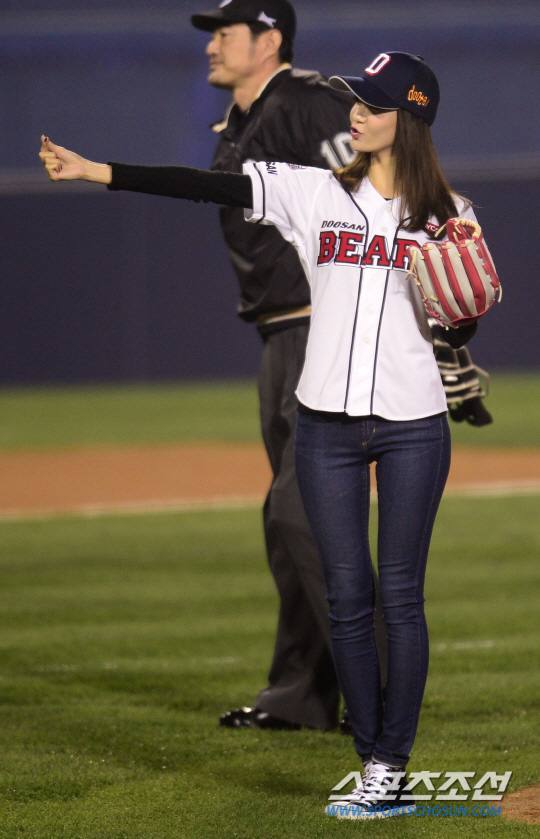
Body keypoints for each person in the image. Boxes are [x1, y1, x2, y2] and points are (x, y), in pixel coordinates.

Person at [39, 49, 492, 817]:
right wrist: (98, 170)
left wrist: (464, 304)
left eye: (373, 102)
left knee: (402, 596)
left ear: (407, 120)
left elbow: (463, 315)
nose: (356, 110)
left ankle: (390, 760)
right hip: (323, 426)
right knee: (349, 595)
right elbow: (205, 186)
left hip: (413, 426)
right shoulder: (312, 191)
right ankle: (374, 756)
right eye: (356, 97)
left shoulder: (451, 215)